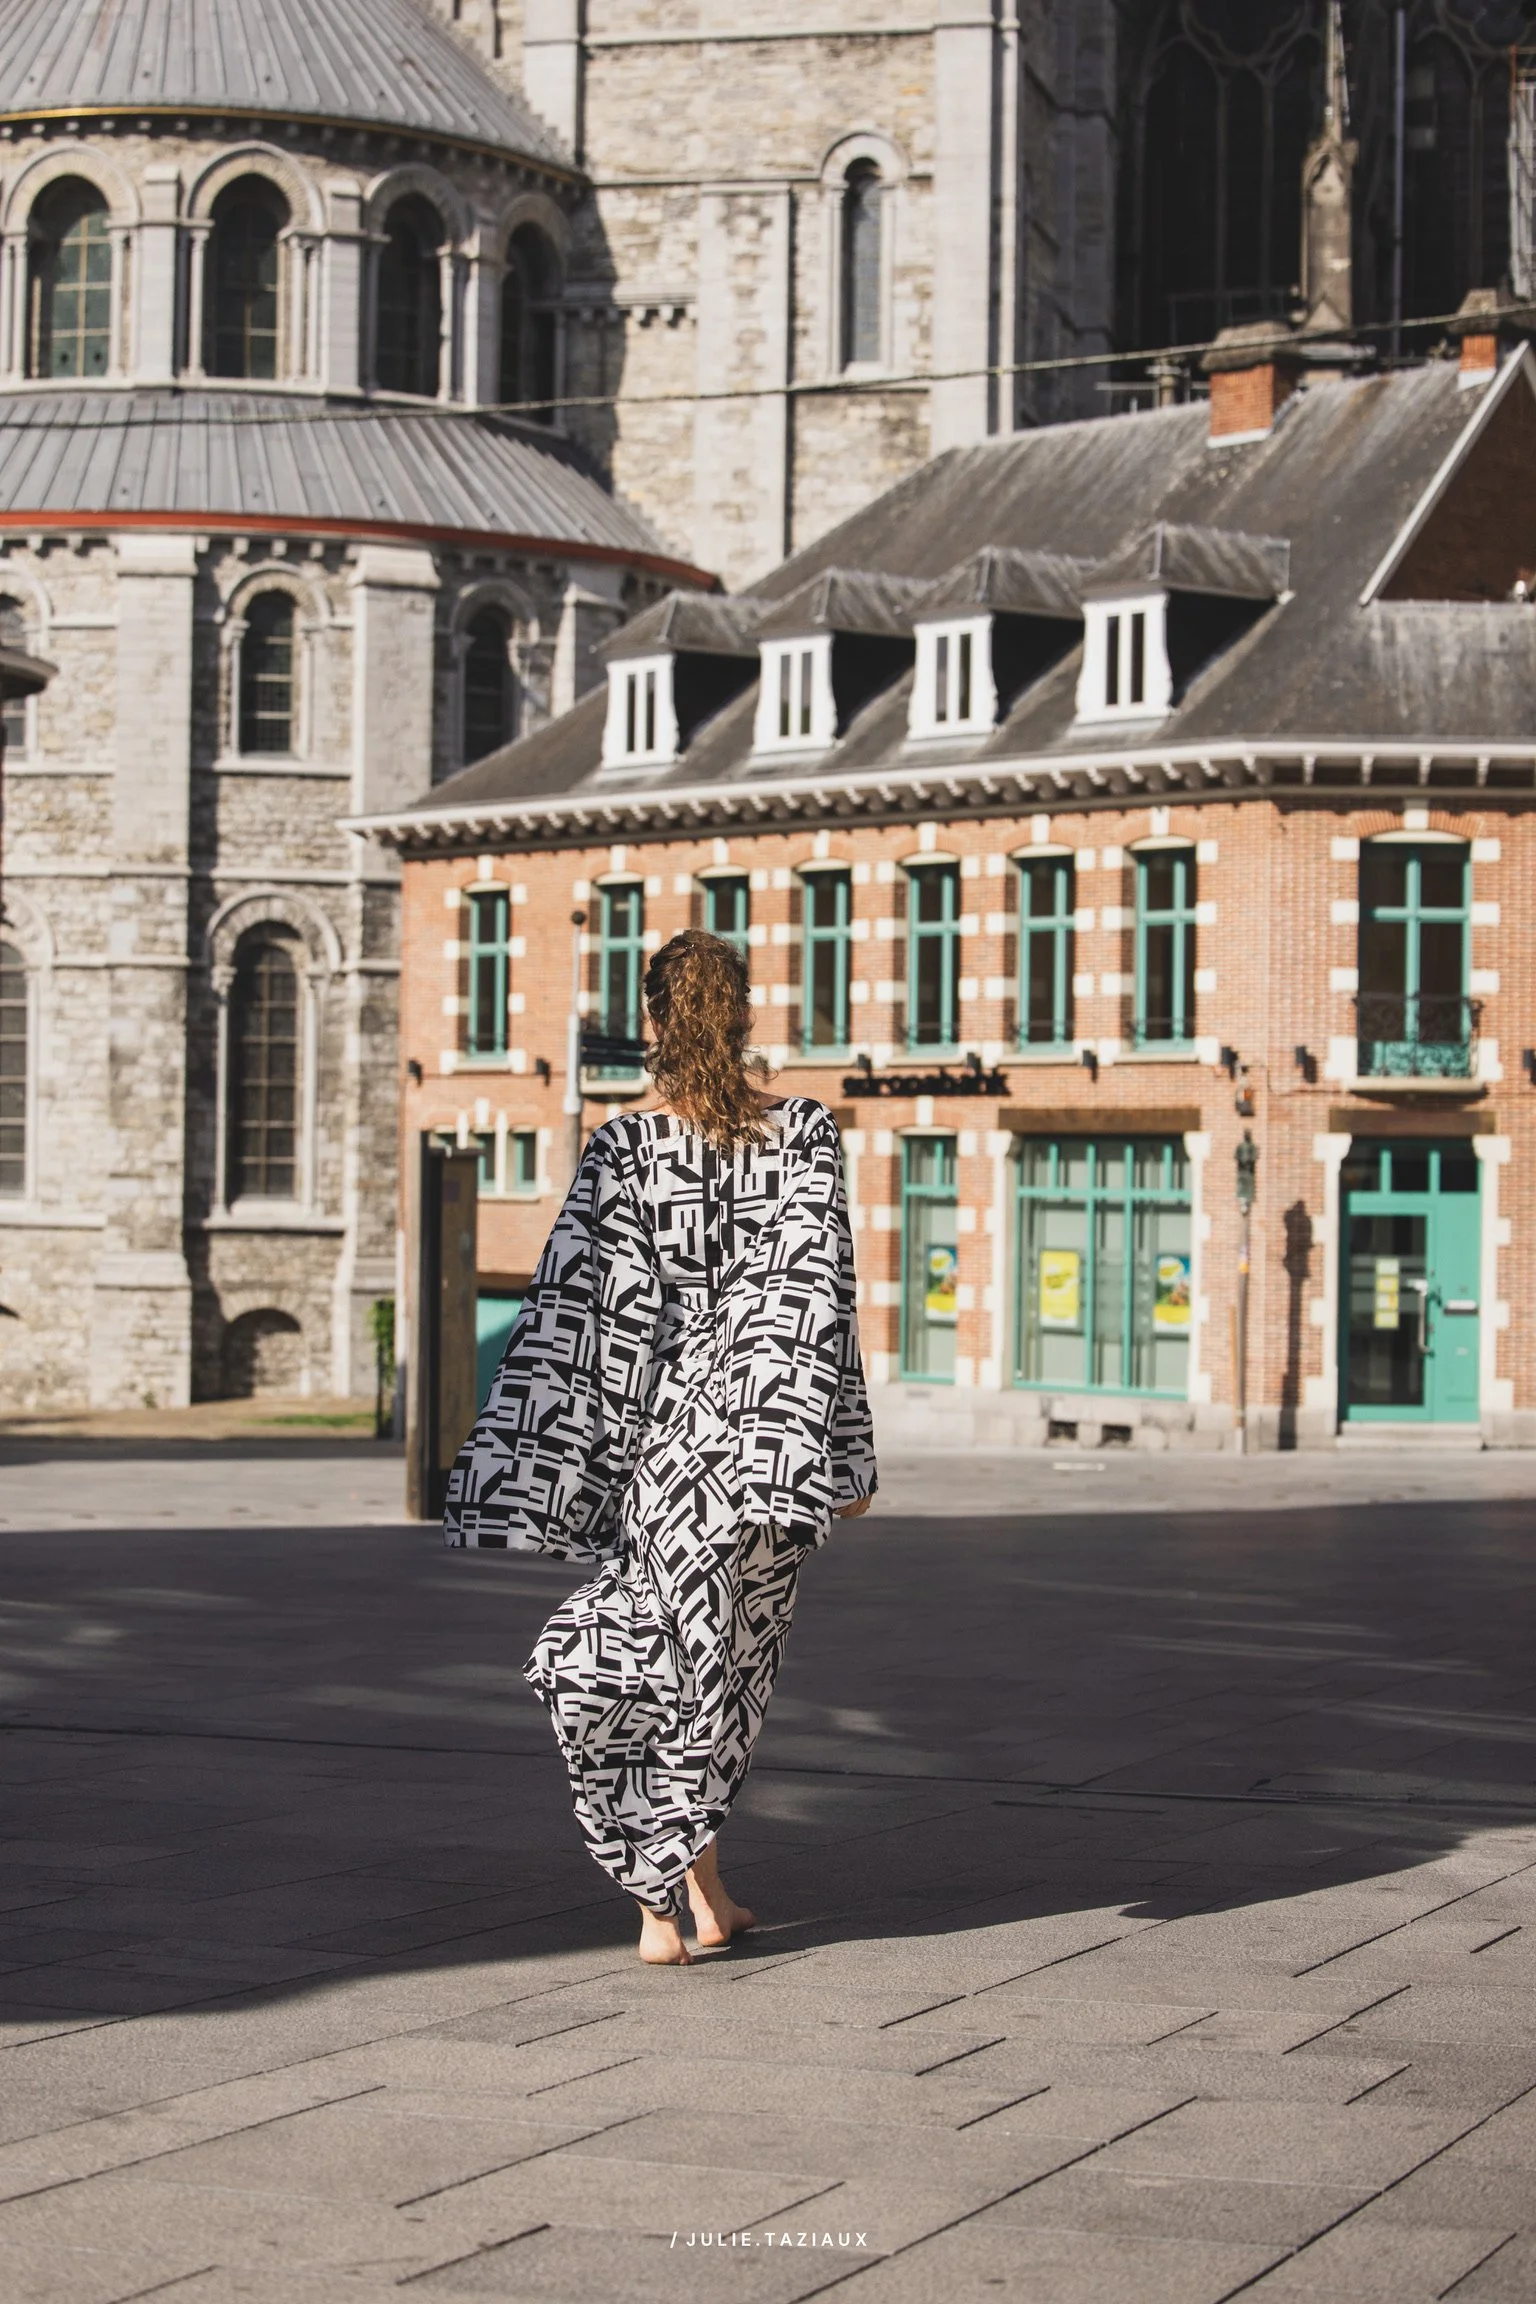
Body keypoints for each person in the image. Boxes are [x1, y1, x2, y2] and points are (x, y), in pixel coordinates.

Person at [445, 928, 877, 1964]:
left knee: (662, 1660)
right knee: (726, 1670)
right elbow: (822, 1308)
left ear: (651, 1023)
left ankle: (659, 1910)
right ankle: (705, 1894)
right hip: (763, 1464)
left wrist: (558, 1477)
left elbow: (588, 1319)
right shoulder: (807, 1133)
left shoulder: (621, 1148)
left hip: (667, 1465)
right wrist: (846, 1460)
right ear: (744, 1017)